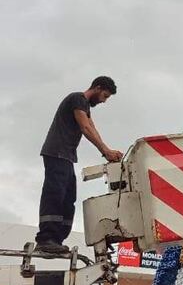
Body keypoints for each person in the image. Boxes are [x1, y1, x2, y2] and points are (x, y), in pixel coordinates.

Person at [36, 76, 122, 255]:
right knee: (55, 194)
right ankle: (46, 239)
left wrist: (108, 151)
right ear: (97, 88)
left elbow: (92, 127)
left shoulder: (85, 107)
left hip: (66, 157)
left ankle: (56, 241)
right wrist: (106, 151)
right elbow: (85, 128)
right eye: (104, 96)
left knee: (68, 198)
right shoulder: (78, 99)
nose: (104, 101)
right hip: (56, 153)